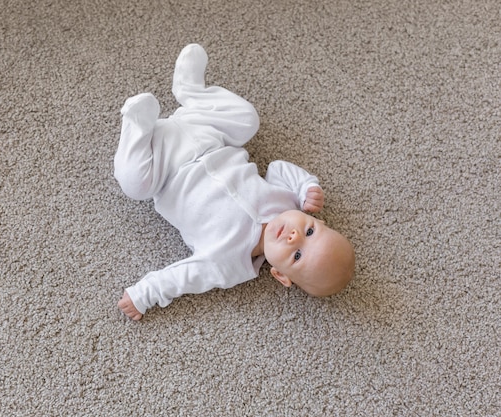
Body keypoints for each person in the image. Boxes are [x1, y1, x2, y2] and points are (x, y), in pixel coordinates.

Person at [114, 44, 354, 321]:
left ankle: (138, 124)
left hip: (162, 169)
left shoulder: (229, 264)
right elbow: (278, 168)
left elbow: (185, 275)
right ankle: (191, 92)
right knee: (247, 119)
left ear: (280, 275)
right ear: (319, 221)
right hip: (208, 135)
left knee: (134, 184)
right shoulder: (289, 202)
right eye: (310, 232)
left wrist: (144, 294)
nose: (294, 237)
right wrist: (307, 186)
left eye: (296, 255)